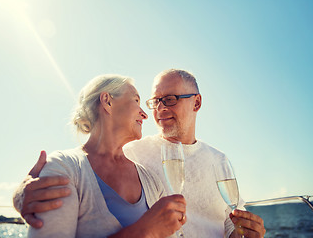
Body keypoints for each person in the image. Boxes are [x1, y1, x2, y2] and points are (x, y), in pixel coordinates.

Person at [14, 69, 266, 238]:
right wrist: (21, 193)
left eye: (170, 99)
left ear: (196, 103)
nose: (157, 110)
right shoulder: (132, 151)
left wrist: (244, 232)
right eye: (153, 101)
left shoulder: (218, 160)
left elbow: (231, 222)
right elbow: (79, 164)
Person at [22, 74, 187, 238]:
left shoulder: (151, 181)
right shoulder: (63, 167)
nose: (145, 114)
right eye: (136, 101)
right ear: (107, 101)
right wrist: (144, 231)